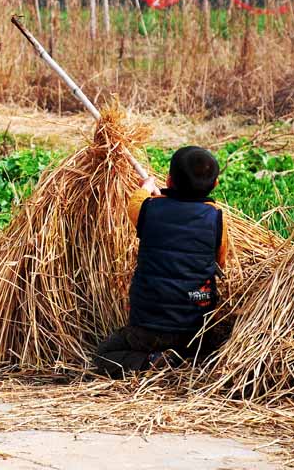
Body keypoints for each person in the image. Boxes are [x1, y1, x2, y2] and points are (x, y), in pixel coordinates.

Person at [95, 146, 228, 378]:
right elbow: (220, 261)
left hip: (148, 326)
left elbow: (134, 204)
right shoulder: (216, 218)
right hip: (195, 326)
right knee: (208, 344)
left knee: (104, 355)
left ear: (168, 179)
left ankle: (152, 361)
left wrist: (146, 187)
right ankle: (193, 361)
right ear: (215, 184)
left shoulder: (149, 209)